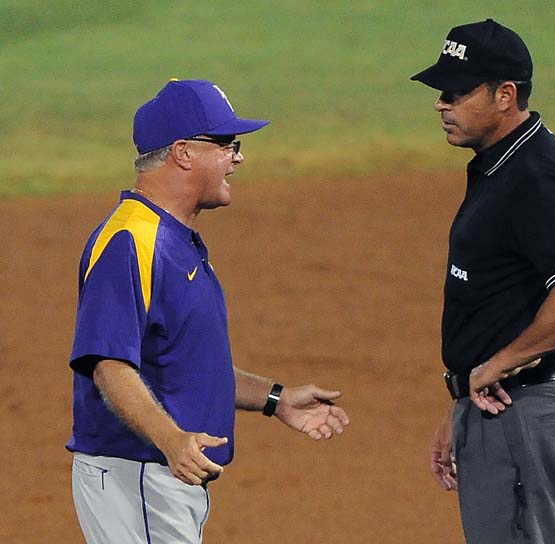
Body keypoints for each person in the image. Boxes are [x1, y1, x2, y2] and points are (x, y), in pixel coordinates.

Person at [67, 79, 350, 544]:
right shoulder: (131, 242)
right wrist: (171, 439)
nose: (237, 158)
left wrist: (276, 399)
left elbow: (185, 366)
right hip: (138, 476)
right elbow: (108, 365)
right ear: (182, 152)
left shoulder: (175, 239)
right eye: (226, 145)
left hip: (159, 477)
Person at [410, 19, 555, 544]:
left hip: (526, 413)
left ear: (505, 95)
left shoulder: (538, 174)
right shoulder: (500, 163)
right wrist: (461, 404)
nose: (440, 104)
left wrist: (496, 366)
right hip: (499, 409)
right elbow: (497, 305)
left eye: (456, 91)